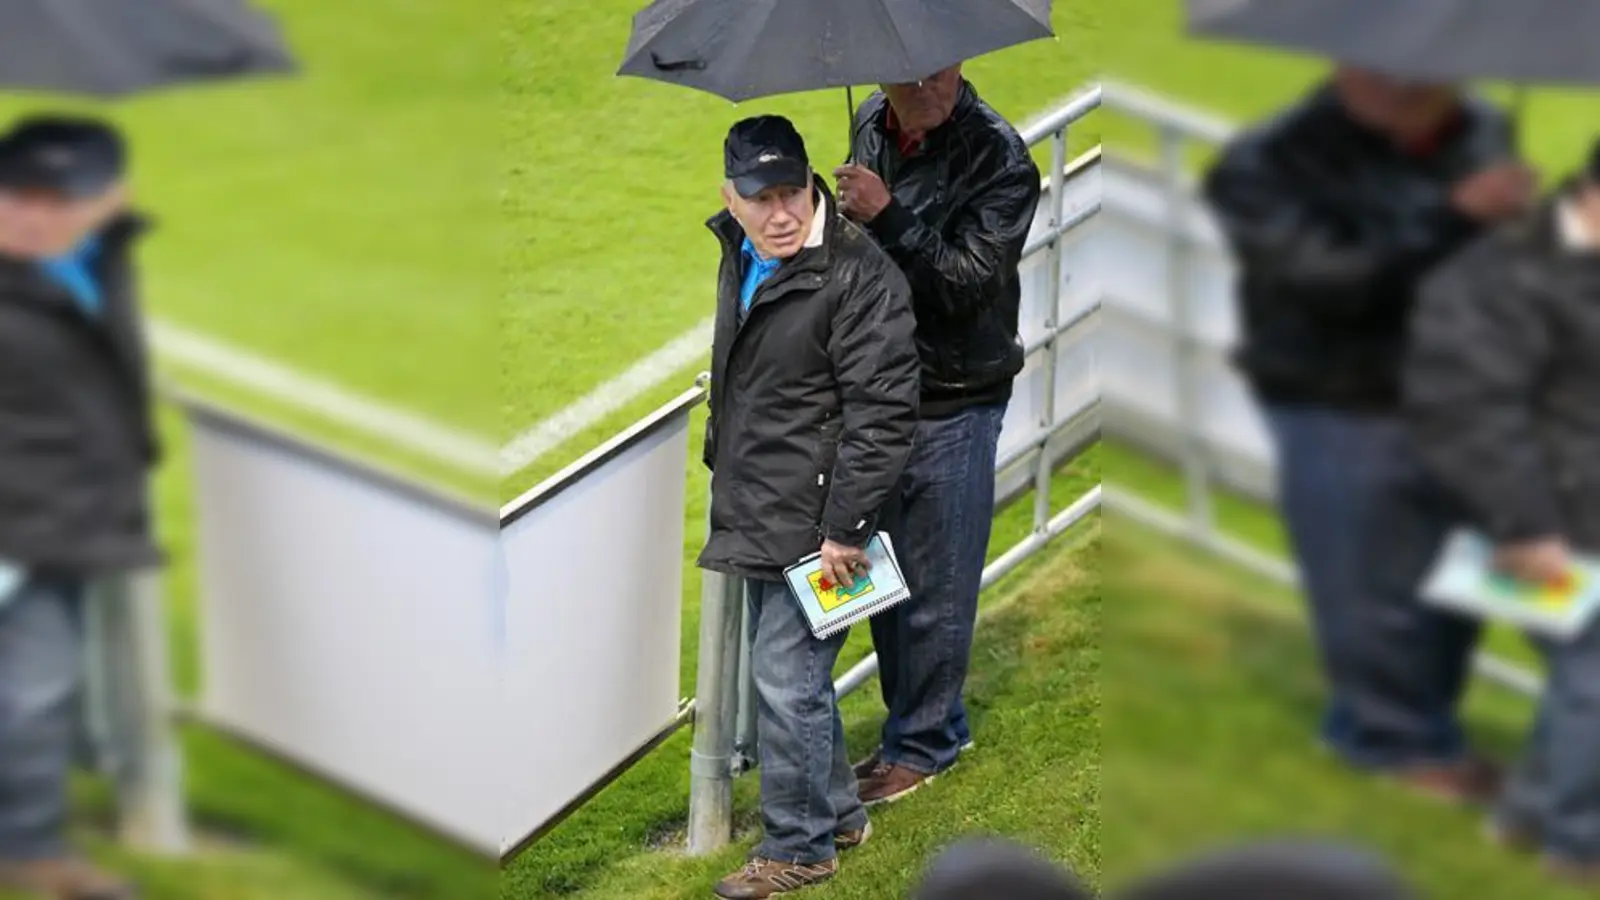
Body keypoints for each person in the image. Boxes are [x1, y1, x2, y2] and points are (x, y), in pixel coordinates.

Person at [1201, 66, 1534, 796]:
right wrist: (1458, 215)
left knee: (1455, 580)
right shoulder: (1267, 162)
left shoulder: (1481, 131)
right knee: (1371, 583)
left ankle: (1411, 730)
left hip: (1461, 397)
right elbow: (1329, 283)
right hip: (1339, 400)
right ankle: (1398, 747)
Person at [699, 115, 920, 898]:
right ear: (732, 195)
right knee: (791, 679)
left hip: (825, 526)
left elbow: (884, 412)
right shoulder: (740, 246)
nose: (780, 212)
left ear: (810, 180)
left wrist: (847, 530)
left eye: (791, 191)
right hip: (763, 505)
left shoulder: (862, 277)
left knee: (784, 679)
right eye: (761, 198)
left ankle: (798, 848)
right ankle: (836, 814)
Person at [833, 62, 1043, 805]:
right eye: (909, 79)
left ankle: (924, 746)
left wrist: (886, 213)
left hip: (956, 397)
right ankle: (917, 728)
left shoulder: (1001, 158)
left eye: (938, 74)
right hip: (883, 393)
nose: (929, 87)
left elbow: (965, 285)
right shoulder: (870, 126)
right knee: (884, 583)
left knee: (937, 585)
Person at [1403, 140, 1600, 885]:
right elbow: (1474, 416)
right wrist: (1524, 529)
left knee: (1586, 674)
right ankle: (1577, 845)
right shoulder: (1502, 277)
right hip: (1526, 520)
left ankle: (1526, 815)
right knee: (1594, 676)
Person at [0, 115, 152, 900]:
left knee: (38, 691)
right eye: (18, 195)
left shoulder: (102, 260)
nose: (35, 214)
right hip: (21, 521)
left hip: (57, 524)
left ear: (108, 199)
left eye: (61, 199)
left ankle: (27, 851)